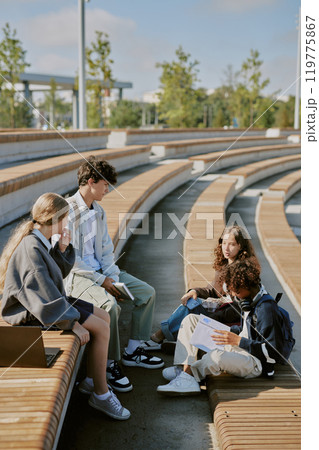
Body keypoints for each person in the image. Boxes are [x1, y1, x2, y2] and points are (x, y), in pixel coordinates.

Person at [0, 193, 130, 420]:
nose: (68, 221)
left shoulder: (39, 240)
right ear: (55, 218)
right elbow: (44, 298)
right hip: (29, 312)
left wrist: (62, 249)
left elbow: (53, 278)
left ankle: (91, 379)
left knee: (103, 316)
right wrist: (72, 324)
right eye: (66, 217)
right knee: (101, 327)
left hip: (47, 302)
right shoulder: (31, 248)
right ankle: (101, 394)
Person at [63, 156, 164, 393]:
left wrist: (114, 279)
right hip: (78, 278)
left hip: (101, 273)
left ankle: (133, 351)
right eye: (105, 184)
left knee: (146, 293)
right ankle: (108, 364)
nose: (108, 190)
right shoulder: (66, 211)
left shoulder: (98, 211)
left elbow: (107, 252)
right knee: (109, 306)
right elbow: (70, 261)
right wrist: (103, 282)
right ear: (91, 182)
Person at [157, 257, 287, 395]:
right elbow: (247, 331)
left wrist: (238, 341)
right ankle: (186, 370)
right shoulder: (249, 300)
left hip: (254, 361)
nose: (232, 296)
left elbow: (273, 352)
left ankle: (189, 376)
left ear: (244, 287)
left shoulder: (267, 310)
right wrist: (230, 332)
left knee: (216, 357)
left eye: (234, 292)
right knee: (192, 320)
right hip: (238, 345)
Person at [150, 225, 257, 345]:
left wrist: (213, 316)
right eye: (224, 243)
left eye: (232, 244)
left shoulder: (244, 271)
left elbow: (239, 307)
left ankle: (159, 337)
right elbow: (212, 290)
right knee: (190, 302)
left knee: (190, 308)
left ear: (240, 246)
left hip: (229, 319)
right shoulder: (224, 265)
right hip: (220, 310)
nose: (226, 248)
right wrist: (194, 291)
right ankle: (167, 338)